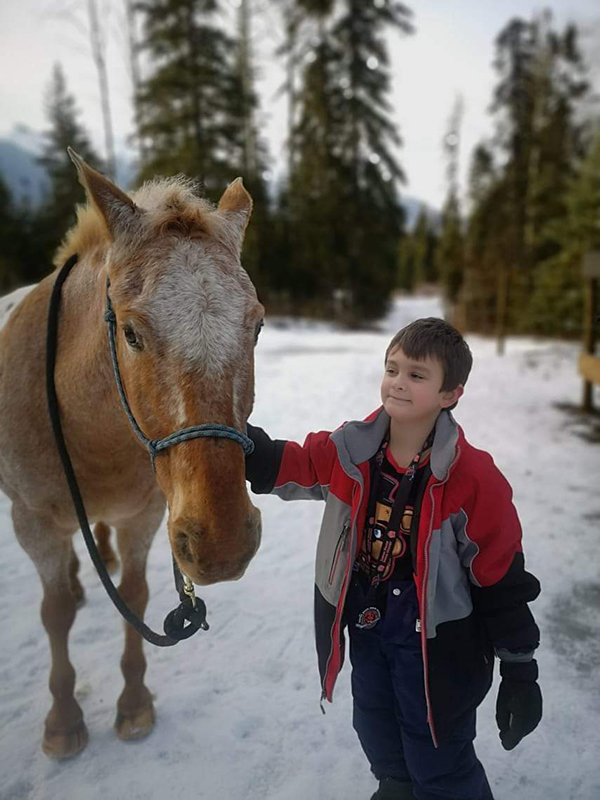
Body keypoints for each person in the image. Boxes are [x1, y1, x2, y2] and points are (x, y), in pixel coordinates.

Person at [245, 317, 542, 800]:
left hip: (438, 646)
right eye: (393, 368)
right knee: (376, 726)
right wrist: (239, 444)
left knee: (439, 757)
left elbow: (501, 578)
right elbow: (294, 464)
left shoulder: (473, 478)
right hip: (368, 625)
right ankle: (396, 785)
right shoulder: (351, 450)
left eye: (417, 375)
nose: (398, 382)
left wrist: (519, 669)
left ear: (451, 394)